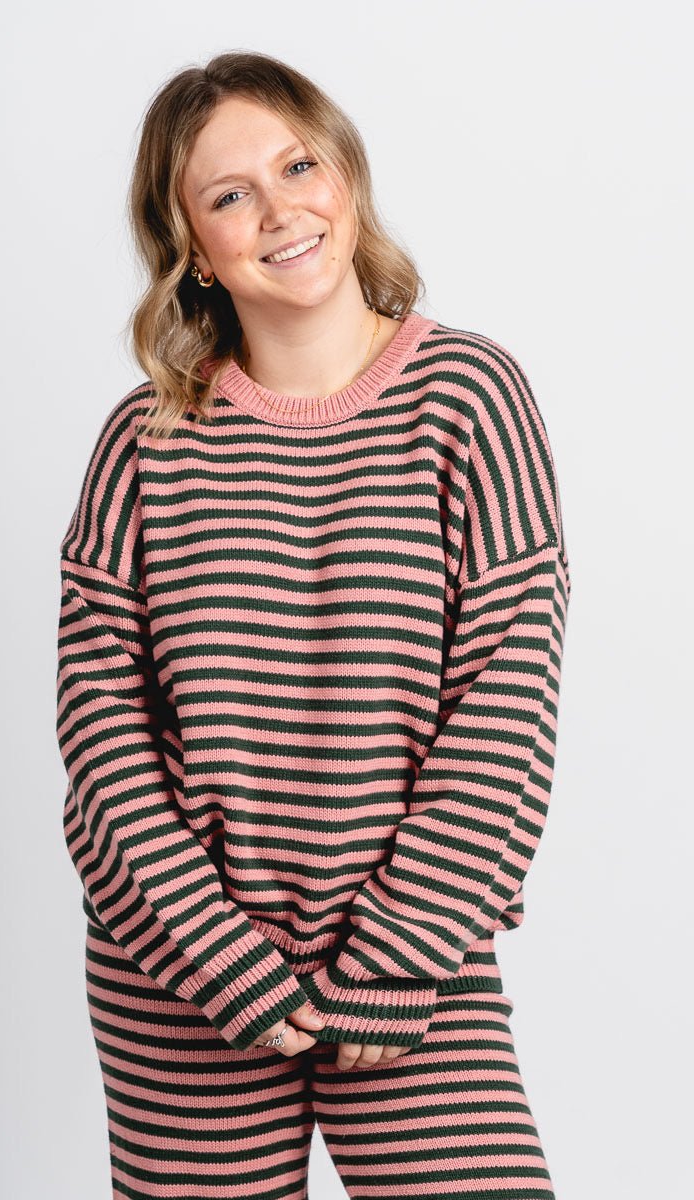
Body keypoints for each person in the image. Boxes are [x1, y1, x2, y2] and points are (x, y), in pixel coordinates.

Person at [56, 49, 571, 1200]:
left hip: (411, 962)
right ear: (192, 245)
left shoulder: (467, 398)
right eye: (229, 193)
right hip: (177, 974)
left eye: (297, 168)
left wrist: (396, 955)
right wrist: (215, 958)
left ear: (344, 173)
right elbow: (102, 733)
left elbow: (505, 704)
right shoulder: (144, 443)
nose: (280, 211)